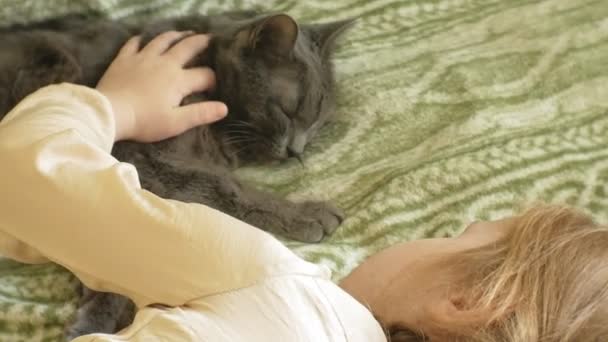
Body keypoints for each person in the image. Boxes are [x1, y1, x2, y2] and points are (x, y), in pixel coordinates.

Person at [0, 32, 605, 342]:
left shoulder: (283, 287)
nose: (434, 233)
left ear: (467, 304)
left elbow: (24, 177)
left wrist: (115, 107)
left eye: (454, 234)